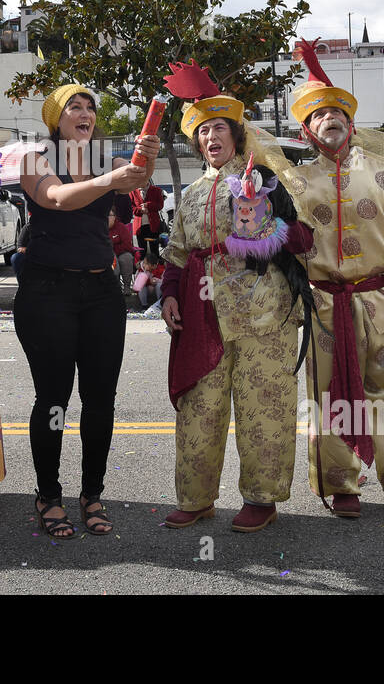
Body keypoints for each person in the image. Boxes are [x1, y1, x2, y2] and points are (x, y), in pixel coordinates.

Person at [281, 43, 384, 518]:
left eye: (337, 113)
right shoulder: (293, 184)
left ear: (351, 125)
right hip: (324, 306)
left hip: (381, 301)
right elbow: (284, 249)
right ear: (307, 131)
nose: (329, 119)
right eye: (319, 116)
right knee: (330, 396)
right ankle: (342, 488)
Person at [158, 65, 313, 532]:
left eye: (219, 127)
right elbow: (177, 253)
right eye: (202, 130)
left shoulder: (267, 179)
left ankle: (262, 499)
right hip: (204, 316)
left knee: (263, 405)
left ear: (236, 134)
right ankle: (197, 497)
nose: (210, 136)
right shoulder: (189, 196)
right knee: (200, 409)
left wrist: (269, 218)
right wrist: (167, 294)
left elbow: (304, 239)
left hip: (266, 314)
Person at [15, 83, 158, 538]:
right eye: (74, 106)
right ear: (56, 118)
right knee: (53, 399)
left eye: (90, 107)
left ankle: (92, 493)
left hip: (100, 292)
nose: (85, 112)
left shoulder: (105, 160)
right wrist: (108, 181)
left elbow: (138, 178)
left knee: (100, 400)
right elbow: (56, 198)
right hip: (48, 292)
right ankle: (48, 496)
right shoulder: (35, 160)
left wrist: (147, 154)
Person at [130, 184, 166, 256]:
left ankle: (156, 265)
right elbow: (131, 207)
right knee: (142, 250)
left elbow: (160, 205)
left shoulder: (157, 190)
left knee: (154, 249)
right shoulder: (133, 191)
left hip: (153, 225)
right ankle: (143, 265)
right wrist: (140, 210)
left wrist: (148, 205)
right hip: (139, 226)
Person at [107, 208, 136, 293]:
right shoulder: (101, 228)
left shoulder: (120, 227)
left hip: (122, 252)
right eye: (105, 215)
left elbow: (127, 244)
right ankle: (116, 286)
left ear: (114, 217)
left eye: (110, 215)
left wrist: (114, 248)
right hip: (109, 253)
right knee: (113, 260)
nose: (107, 217)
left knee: (126, 258)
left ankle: (127, 286)